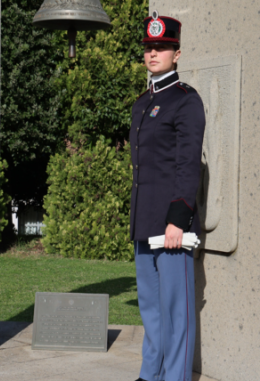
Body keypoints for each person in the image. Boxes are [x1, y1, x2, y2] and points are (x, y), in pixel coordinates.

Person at [130, 11, 205, 381]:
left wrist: (178, 218)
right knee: (152, 312)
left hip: (171, 227)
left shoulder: (186, 101)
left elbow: (188, 164)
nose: (154, 52)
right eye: (149, 47)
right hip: (145, 226)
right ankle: (150, 375)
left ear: (177, 52)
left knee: (177, 314)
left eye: (162, 46)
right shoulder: (142, 104)